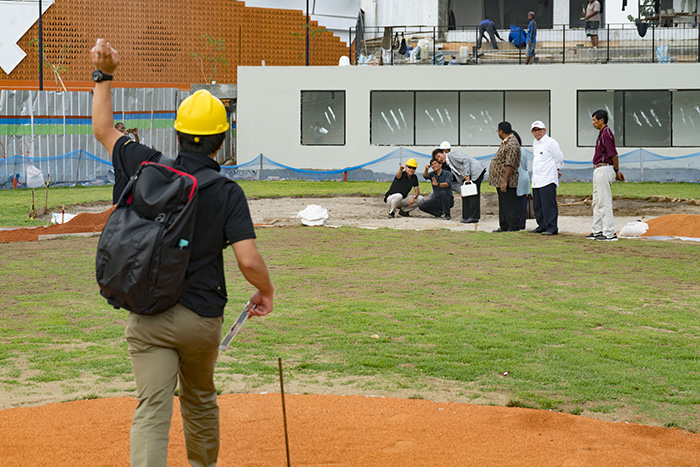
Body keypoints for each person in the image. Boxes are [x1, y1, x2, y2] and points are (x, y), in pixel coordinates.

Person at [90, 38, 274, 467]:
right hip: (201, 318)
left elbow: (103, 129)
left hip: (149, 311)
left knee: (151, 410)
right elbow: (248, 260)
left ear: (176, 132)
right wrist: (265, 291)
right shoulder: (228, 193)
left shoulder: (145, 166)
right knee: (199, 399)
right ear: (222, 141)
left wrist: (103, 73)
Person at [588, 109, 625, 242]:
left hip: (604, 169)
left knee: (604, 202)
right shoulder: (602, 133)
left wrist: (616, 171)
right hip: (598, 169)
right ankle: (597, 231)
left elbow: (614, 154)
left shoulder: (607, 133)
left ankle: (609, 233)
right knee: (597, 201)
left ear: (601, 120)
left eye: (594, 120)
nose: (593, 123)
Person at [530, 121, 564, 235]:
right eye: (535, 130)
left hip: (548, 178)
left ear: (545, 130)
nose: (537, 132)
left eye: (539, 129)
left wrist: (557, 169)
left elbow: (559, 157)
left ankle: (552, 227)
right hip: (536, 179)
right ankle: (542, 225)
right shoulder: (535, 143)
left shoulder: (551, 142)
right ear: (532, 132)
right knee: (538, 205)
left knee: (548, 205)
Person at [489, 121, 521, 232]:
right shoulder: (505, 142)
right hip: (499, 180)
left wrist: (505, 181)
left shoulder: (512, 143)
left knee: (509, 204)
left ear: (501, 131)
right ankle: (504, 225)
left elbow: (510, 164)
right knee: (503, 204)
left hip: (507, 180)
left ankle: (513, 226)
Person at [442, 147, 486, 224]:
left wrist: (467, 173)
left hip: (475, 173)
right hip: (466, 177)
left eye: (439, 156)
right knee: (466, 194)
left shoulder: (452, 155)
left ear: (444, 152)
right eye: (437, 158)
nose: (439, 159)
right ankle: (466, 216)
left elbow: (465, 160)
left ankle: (473, 217)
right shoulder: (448, 163)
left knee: (473, 194)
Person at [112, 123, 142, 203]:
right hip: (119, 166)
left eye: (124, 128)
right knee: (120, 185)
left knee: (129, 186)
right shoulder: (115, 139)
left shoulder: (126, 139)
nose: (123, 130)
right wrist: (123, 135)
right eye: (121, 128)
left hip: (127, 166)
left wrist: (136, 136)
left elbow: (136, 146)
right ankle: (116, 205)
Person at [513, 131, 531, 231]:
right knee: (522, 202)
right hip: (524, 177)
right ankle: (522, 224)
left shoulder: (514, 150)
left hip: (517, 178)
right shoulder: (523, 150)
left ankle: (517, 223)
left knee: (517, 202)